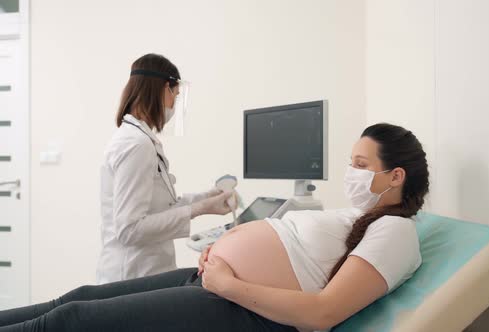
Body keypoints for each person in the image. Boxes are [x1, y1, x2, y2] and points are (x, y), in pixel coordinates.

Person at [0, 123, 429, 332]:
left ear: (396, 176)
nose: (350, 173)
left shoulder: (397, 232)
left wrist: (227, 284)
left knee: (71, 322)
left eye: (360, 166)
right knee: (78, 299)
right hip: (214, 282)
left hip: (242, 309)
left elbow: (323, 313)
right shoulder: (357, 218)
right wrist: (222, 256)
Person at [96, 53, 235, 284]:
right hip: (133, 277)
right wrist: (198, 209)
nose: (174, 104)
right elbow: (129, 229)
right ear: (163, 89)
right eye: (175, 95)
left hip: (145, 272)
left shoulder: (139, 138)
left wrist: (206, 199)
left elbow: (157, 208)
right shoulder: (136, 145)